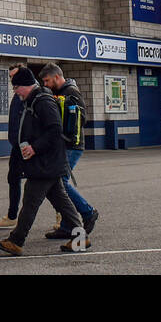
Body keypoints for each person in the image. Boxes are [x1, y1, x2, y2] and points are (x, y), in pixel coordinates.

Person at [0, 68, 85, 255]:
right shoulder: (33, 100)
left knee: (30, 201)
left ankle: (16, 241)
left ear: (26, 85)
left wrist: (35, 148)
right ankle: (80, 238)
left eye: (17, 87)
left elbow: (54, 130)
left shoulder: (42, 101)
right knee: (62, 202)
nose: (15, 91)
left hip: (46, 163)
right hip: (49, 162)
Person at [38, 63, 98, 234]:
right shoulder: (60, 93)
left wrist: (66, 136)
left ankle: (88, 211)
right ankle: (67, 225)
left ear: (57, 77)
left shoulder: (71, 92)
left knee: (61, 183)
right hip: (64, 145)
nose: (46, 84)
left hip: (71, 146)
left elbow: (82, 119)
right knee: (58, 185)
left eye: (48, 80)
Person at [0, 62, 29, 229]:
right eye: (10, 77)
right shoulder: (17, 94)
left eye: (14, 76)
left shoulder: (30, 94)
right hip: (17, 146)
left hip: (28, 146)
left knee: (45, 183)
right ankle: (12, 215)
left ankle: (62, 214)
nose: (12, 80)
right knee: (13, 178)